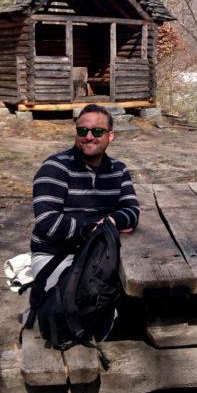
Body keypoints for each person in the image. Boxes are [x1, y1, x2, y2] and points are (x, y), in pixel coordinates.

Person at [29, 104, 139, 297]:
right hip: (55, 254)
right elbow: (48, 222)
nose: (89, 137)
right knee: (71, 305)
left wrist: (110, 222)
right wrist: (99, 229)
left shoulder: (119, 169)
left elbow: (131, 211)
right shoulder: (55, 167)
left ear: (110, 136)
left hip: (99, 253)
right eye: (82, 130)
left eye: (97, 131)